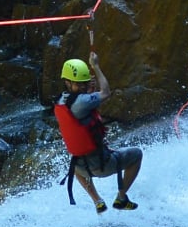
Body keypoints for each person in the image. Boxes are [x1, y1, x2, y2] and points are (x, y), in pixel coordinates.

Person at [55, 55, 142, 212]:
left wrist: (88, 90)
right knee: (137, 154)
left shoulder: (60, 100)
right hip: (102, 165)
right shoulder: (83, 101)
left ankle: (98, 201)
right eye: (79, 84)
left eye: (84, 84)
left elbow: (81, 104)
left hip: (80, 167)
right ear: (68, 82)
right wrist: (95, 66)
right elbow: (106, 93)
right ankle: (121, 197)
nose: (82, 87)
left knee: (73, 164)